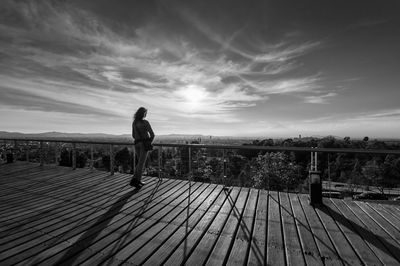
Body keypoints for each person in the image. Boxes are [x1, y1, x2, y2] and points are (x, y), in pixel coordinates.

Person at [130, 107, 155, 188]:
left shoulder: (134, 122)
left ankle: (138, 180)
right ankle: (135, 180)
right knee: (141, 163)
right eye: (145, 113)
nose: (146, 114)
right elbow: (152, 134)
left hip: (136, 143)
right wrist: (148, 142)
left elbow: (133, 135)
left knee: (139, 163)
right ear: (143, 114)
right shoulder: (145, 122)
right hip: (143, 144)